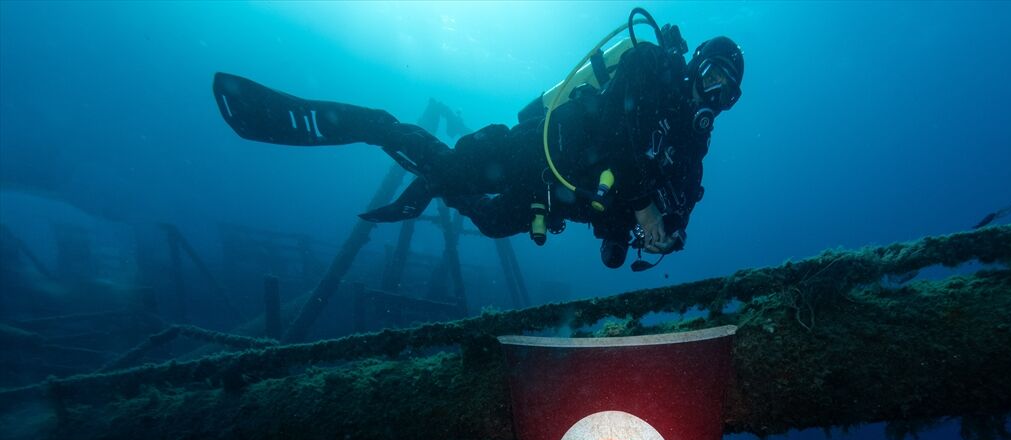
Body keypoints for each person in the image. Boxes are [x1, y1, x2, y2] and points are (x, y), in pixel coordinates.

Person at [213, 28, 743, 270]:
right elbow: (611, 135)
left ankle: (436, 179)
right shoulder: (650, 66)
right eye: (714, 78)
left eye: (729, 93)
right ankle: (376, 127)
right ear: (696, 65)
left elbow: (685, 198)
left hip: (558, 199)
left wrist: (669, 235)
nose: (716, 96)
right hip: (535, 150)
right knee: (449, 168)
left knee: (488, 221)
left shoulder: (692, 139)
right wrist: (647, 206)